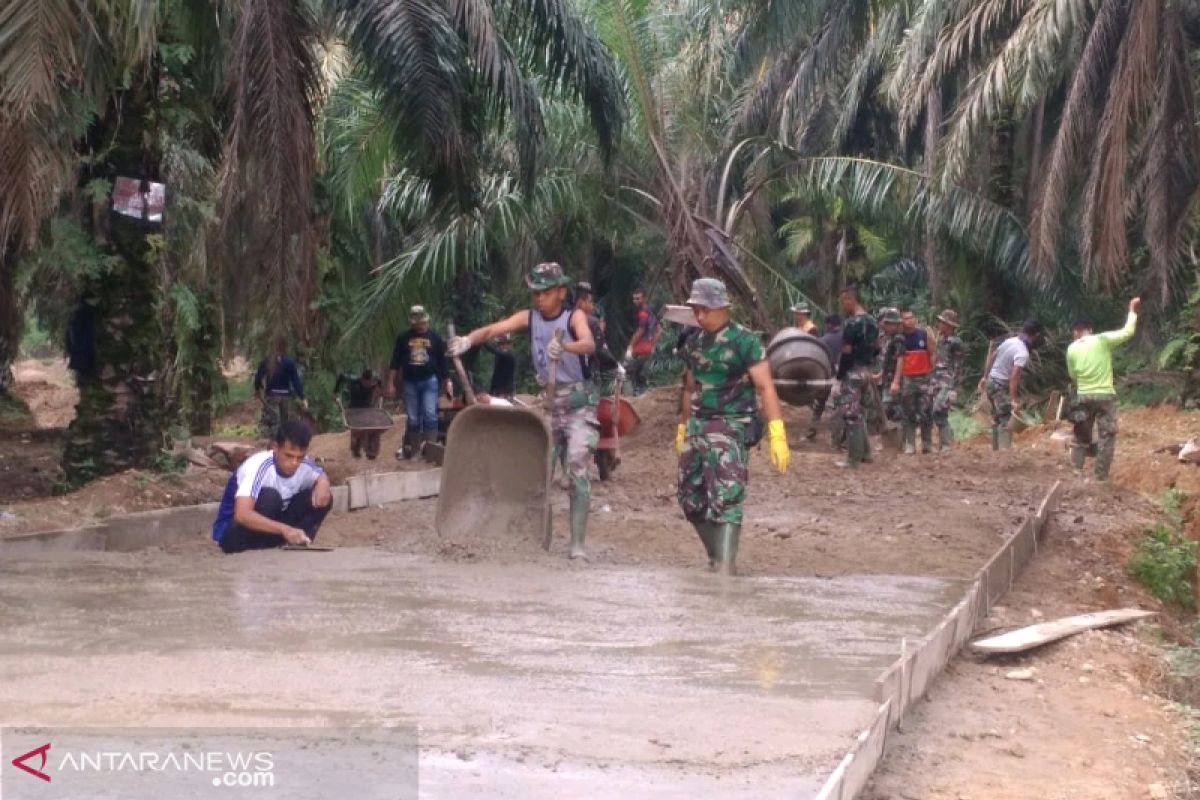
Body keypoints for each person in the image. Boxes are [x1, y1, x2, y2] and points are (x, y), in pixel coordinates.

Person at [448, 263, 597, 559]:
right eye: (535, 293)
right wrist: (467, 340)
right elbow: (494, 329)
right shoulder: (529, 318)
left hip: (579, 402)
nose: (539, 298)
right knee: (539, 470)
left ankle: (577, 545)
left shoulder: (574, 316)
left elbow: (589, 344)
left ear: (560, 292)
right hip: (549, 404)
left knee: (579, 469)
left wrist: (566, 348)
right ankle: (535, 535)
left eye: (545, 292)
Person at [675, 278, 789, 575]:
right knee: (689, 497)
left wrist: (777, 433)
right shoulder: (693, 341)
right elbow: (689, 387)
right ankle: (716, 556)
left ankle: (725, 566)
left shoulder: (745, 341)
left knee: (727, 497)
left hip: (730, 425)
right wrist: (682, 428)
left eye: (706, 310)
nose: (700, 316)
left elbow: (765, 387)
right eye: (696, 310)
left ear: (723, 307)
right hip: (698, 425)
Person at [212, 420, 332, 553]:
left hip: (272, 530)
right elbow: (242, 514)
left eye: (299, 457)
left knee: (324, 497)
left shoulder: (305, 465)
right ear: (275, 447)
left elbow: (320, 474)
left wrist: (323, 482)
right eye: (288, 455)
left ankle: (299, 542)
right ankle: (261, 547)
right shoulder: (258, 466)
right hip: (233, 533)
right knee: (270, 498)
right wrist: (284, 529)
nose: (294, 463)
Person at [1066, 298, 1140, 480]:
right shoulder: (1101, 340)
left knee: (1081, 434)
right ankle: (1100, 478)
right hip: (1105, 396)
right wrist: (1132, 309)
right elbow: (1128, 331)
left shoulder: (1071, 349)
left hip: (1083, 395)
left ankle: (1076, 473)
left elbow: (1073, 375)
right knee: (1107, 436)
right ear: (1090, 330)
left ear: (1076, 332)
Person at [387, 305, 453, 461]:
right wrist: (391, 383)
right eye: (417, 324)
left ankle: (431, 450)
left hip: (429, 381)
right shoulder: (403, 338)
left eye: (422, 323)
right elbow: (395, 362)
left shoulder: (435, 338)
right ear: (412, 324)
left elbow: (443, 362)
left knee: (430, 415)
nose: (420, 326)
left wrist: (447, 380)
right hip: (410, 382)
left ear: (426, 321)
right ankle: (415, 450)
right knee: (413, 418)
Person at [978, 319, 1044, 450]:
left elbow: (993, 356)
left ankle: (996, 452)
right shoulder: (1023, 352)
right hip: (998, 386)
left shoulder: (1010, 341)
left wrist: (985, 377)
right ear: (1036, 335)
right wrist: (1014, 399)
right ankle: (1004, 454)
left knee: (997, 418)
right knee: (1006, 419)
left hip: (991, 382)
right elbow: (1014, 376)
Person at [835, 286, 879, 468]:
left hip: (852, 372)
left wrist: (839, 376)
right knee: (859, 413)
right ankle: (866, 453)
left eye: (843, 301)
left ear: (850, 299)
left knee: (851, 415)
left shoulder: (852, 324)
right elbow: (877, 348)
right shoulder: (873, 322)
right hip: (866, 371)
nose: (843, 305)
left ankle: (853, 460)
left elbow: (846, 352)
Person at [895, 308, 937, 454]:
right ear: (901, 321)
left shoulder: (923, 334)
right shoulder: (900, 338)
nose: (909, 320)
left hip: (924, 378)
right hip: (908, 379)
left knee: (926, 411)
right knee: (908, 412)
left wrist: (931, 372)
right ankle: (910, 444)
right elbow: (898, 360)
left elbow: (932, 352)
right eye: (906, 318)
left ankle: (927, 444)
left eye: (911, 317)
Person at [254, 337, 305, 439]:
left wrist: (258, 388)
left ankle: (275, 443)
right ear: (285, 348)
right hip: (285, 396)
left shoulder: (267, 361)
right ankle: (284, 443)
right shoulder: (289, 362)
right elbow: (295, 381)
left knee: (274, 421)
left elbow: (258, 377)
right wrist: (302, 396)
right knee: (284, 422)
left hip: (272, 396)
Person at [574, 282, 624, 386]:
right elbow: (600, 349)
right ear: (581, 302)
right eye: (590, 302)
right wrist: (615, 365)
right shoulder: (591, 322)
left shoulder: (564, 318)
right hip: (586, 373)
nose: (592, 305)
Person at [929, 310, 965, 452]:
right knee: (937, 412)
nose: (939, 324)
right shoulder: (941, 340)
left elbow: (958, 365)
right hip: (937, 379)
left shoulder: (956, 342)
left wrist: (954, 387)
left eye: (942, 322)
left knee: (939, 409)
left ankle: (947, 444)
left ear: (949, 325)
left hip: (947, 381)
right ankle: (945, 444)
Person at [335, 369, 383, 459]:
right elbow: (341, 376)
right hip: (354, 408)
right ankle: (356, 450)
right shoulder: (353, 380)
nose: (369, 385)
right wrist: (335, 392)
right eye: (367, 383)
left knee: (373, 429)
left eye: (371, 383)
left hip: (368, 407)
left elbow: (380, 385)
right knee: (357, 431)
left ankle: (372, 451)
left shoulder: (375, 381)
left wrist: (380, 395)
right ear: (362, 380)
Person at [809, 314, 843, 439]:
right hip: (842, 375)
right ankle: (838, 435)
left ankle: (813, 428)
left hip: (827, 374)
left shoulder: (823, 340)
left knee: (820, 403)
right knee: (840, 405)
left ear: (829, 325)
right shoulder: (846, 338)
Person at [624, 289, 660, 395]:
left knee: (627, 370)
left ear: (644, 298)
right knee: (640, 371)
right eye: (634, 299)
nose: (635, 301)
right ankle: (644, 392)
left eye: (638, 298)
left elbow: (640, 330)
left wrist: (630, 346)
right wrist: (652, 344)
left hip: (639, 349)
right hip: (647, 349)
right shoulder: (650, 312)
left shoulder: (643, 313)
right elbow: (659, 331)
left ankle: (636, 394)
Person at [874, 308, 905, 426]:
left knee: (891, 410)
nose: (885, 325)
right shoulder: (889, 338)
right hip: (887, 379)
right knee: (887, 411)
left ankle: (898, 441)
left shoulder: (898, 339)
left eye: (888, 323)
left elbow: (900, 360)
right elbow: (888, 362)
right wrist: (880, 375)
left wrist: (896, 382)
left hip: (894, 381)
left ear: (895, 324)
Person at [483, 334, 517, 398]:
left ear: (510, 345)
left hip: (506, 391)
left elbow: (494, 351)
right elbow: (495, 375)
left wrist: (483, 342)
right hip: (497, 390)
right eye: (501, 344)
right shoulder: (499, 357)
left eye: (506, 344)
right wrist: (491, 391)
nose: (503, 346)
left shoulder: (509, 356)